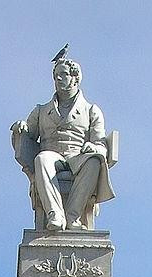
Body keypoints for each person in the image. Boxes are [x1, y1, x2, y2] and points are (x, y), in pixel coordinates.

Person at [11, 57, 115, 231]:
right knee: (41, 159)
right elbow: (28, 134)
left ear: (75, 78)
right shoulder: (41, 110)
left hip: (77, 156)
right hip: (51, 154)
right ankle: (55, 214)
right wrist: (21, 127)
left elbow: (101, 144)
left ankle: (73, 217)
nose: (58, 79)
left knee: (94, 161)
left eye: (64, 74)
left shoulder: (91, 110)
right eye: (56, 76)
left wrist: (94, 147)